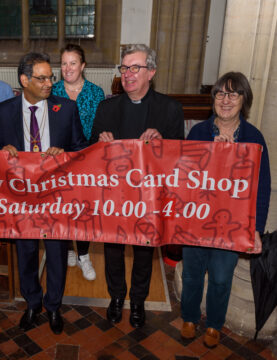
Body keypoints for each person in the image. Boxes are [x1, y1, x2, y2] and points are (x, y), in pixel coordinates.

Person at [0, 52, 87, 334]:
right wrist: (3, 152)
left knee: (57, 253)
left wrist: (66, 153)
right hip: (21, 198)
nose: (49, 83)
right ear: (24, 80)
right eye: (42, 78)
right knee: (27, 253)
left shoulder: (66, 109)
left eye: (50, 77)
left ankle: (54, 306)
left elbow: (82, 148)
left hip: (56, 197)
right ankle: (32, 302)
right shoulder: (4, 111)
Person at [91, 44, 184, 328]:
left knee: (145, 249)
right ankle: (117, 297)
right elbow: (91, 156)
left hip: (149, 196)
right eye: (124, 68)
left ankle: (139, 300)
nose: (127, 74)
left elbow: (180, 157)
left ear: (151, 72)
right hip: (115, 195)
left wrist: (163, 143)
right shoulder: (107, 107)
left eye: (135, 68)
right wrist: (99, 143)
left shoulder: (169, 109)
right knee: (112, 249)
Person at [180, 72, 270, 348]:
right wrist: (211, 157)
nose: (226, 100)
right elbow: (182, 178)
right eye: (220, 93)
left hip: (231, 224)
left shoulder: (254, 138)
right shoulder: (199, 132)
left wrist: (255, 229)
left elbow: (262, 187)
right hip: (196, 219)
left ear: (244, 100)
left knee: (220, 277)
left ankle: (215, 324)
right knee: (192, 273)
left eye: (233, 94)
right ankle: (190, 317)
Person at [52, 43, 104, 281]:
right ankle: (69, 250)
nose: (67, 68)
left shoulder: (96, 92)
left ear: (82, 66)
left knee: (84, 210)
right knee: (63, 209)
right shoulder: (51, 91)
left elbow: (99, 130)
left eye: (73, 63)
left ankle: (83, 253)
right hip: (59, 162)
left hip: (87, 161)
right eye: (64, 63)